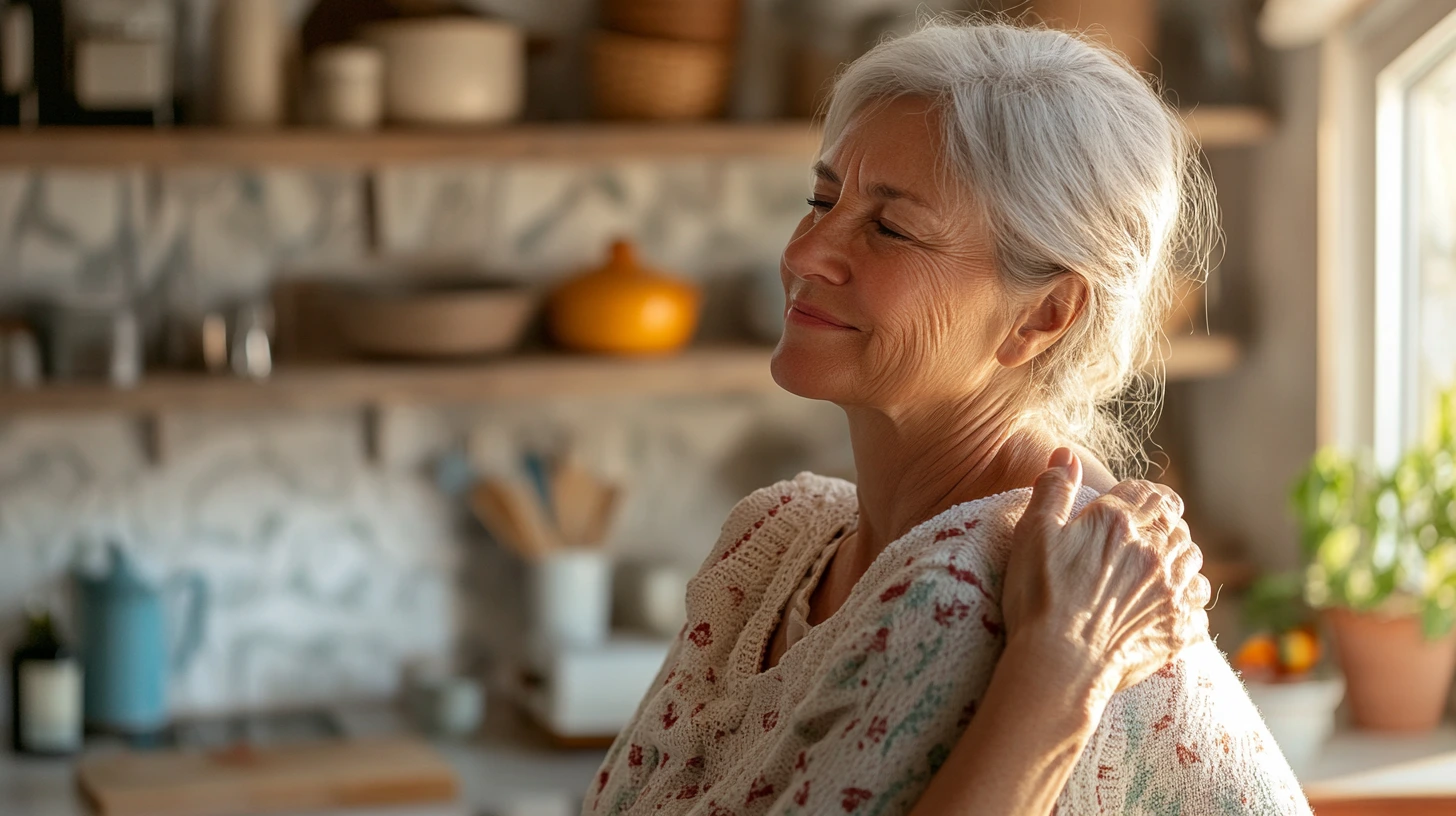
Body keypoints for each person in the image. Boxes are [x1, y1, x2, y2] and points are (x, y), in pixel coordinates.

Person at [584, 20, 1310, 816]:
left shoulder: (977, 589)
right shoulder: (775, 542)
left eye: (890, 227)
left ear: (1042, 316)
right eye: (821, 198)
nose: (804, 254)